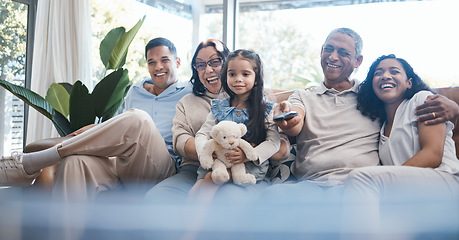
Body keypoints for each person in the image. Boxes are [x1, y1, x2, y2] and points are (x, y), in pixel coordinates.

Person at [342, 54, 459, 235]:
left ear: (409, 83)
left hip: (447, 182)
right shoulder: (380, 127)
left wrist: (383, 184)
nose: (385, 76)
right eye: (378, 73)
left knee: (361, 179)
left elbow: (433, 154)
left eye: (394, 71)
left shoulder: (422, 100)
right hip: (412, 198)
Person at [193, 49, 282, 203]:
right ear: (225, 76)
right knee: (197, 187)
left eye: (245, 74)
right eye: (232, 74)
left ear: (256, 79)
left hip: (248, 167)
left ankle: (192, 227)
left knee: (208, 182)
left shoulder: (265, 109)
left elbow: (274, 142)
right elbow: (202, 134)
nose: (238, 79)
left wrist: (249, 155)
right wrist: (205, 153)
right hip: (219, 162)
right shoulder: (219, 107)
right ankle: (190, 223)